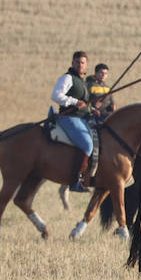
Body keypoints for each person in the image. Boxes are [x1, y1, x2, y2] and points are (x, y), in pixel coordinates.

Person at [52, 51, 95, 190]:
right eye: (77, 62)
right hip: (69, 118)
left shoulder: (83, 82)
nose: (80, 65)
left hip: (83, 119)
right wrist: (74, 102)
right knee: (88, 145)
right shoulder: (67, 78)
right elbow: (56, 95)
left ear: (86, 65)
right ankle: (75, 180)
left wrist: (92, 109)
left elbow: (85, 103)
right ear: (72, 63)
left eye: (82, 63)